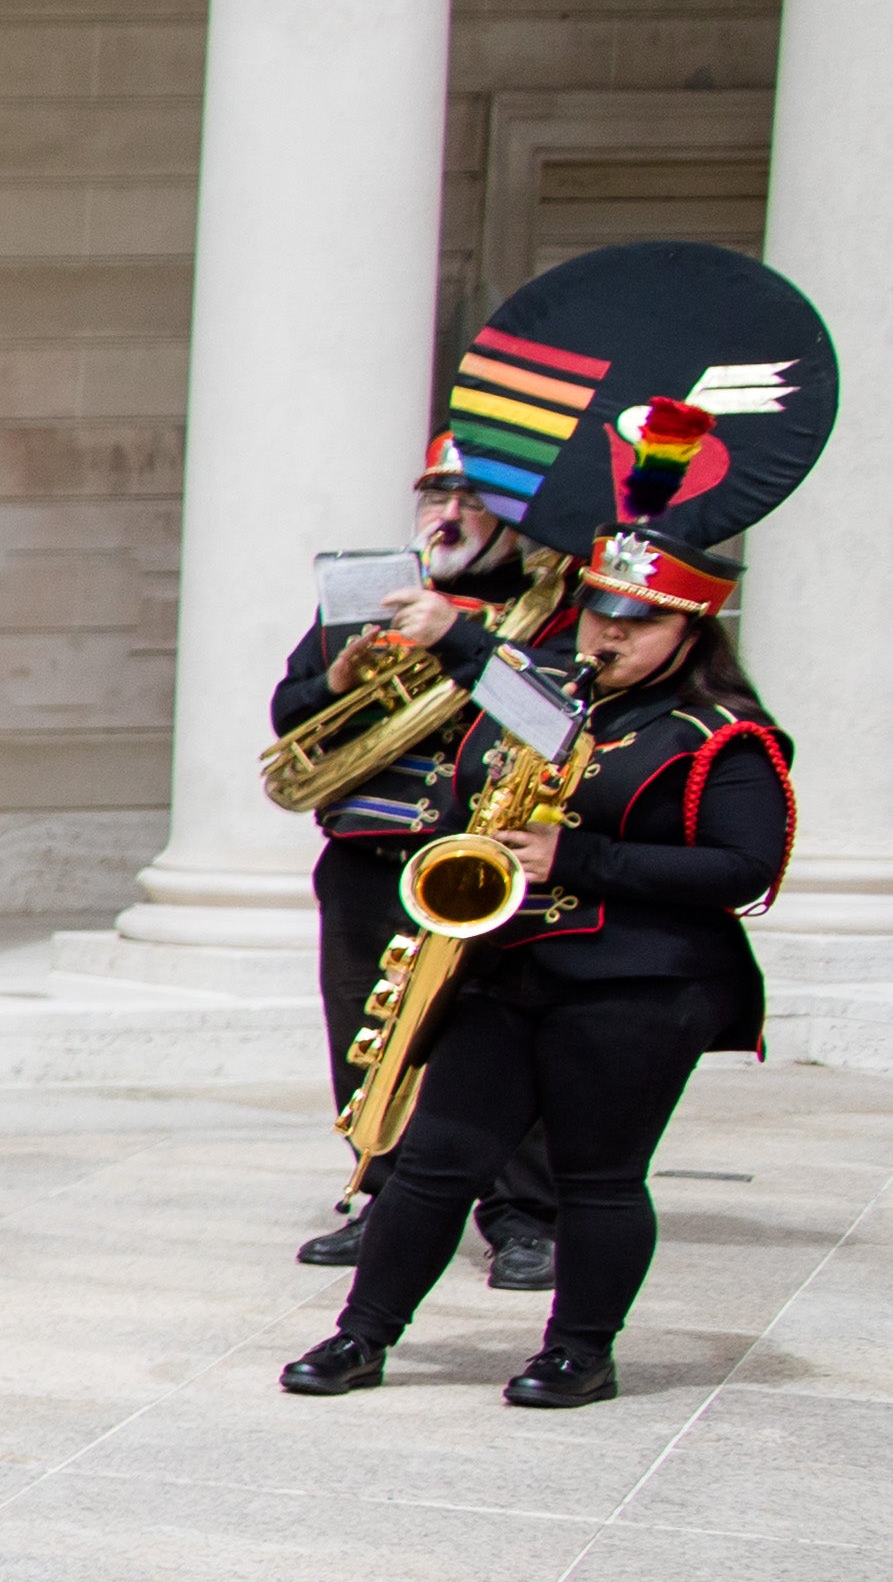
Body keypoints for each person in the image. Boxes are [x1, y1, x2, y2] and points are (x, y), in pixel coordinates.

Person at [289, 405, 779, 1409]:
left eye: (636, 621)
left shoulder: (720, 733)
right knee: (436, 1161)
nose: (609, 632)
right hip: (511, 961)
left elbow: (743, 868)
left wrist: (579, 855)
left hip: (640, 978)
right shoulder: (561, 688)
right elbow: (494, 683)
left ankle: (580, 1351)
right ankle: (362, 1337)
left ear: (689, 630)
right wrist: (447, 637)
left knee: (599, 1176)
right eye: (601, 612)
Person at [266, 429, 568, 1293]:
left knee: (503, 1038)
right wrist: (335, 683)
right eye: (435, 494)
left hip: (484, 855)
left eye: (472, 499)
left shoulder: (551, 608)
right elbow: (289, 714)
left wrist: (457, 640)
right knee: (369, 1031)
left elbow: (551, 718)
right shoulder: (375, 592)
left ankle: (524, 1218)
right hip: (369, 852)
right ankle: (384, 1195)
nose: (448, 513)